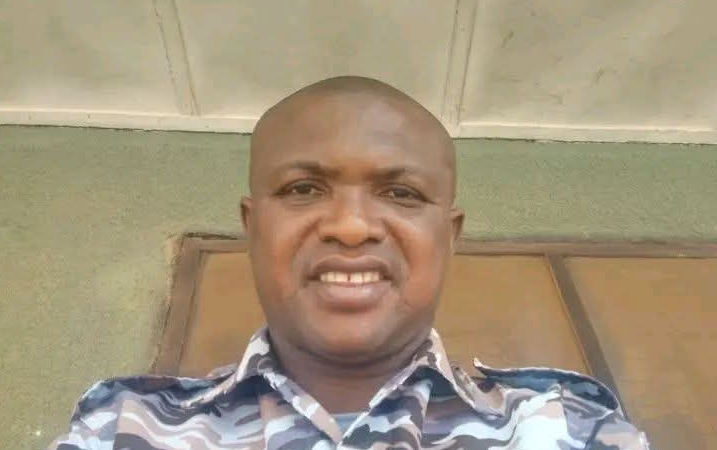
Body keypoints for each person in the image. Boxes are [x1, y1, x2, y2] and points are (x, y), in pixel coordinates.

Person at [47, 76, 650, 450]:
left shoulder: (569, 430)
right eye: (304, 189)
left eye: (401, 193)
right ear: (253, 229)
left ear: (449, 237)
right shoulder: (122, 431)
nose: (352, 227)